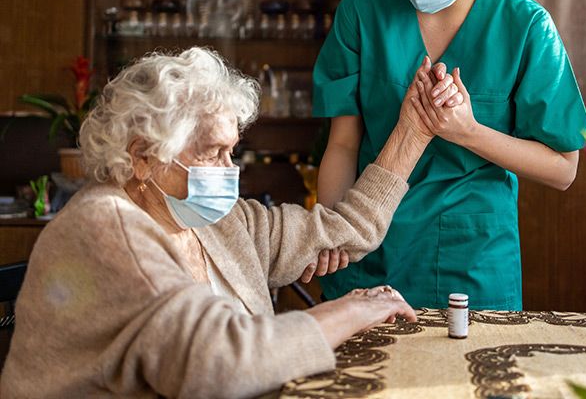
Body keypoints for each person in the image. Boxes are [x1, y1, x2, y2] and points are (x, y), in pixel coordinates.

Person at [1, 47, 457, 398]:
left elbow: (347, 230)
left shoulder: (219, 222)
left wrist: (414, 130)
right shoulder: (104, 228)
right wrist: (352, 309)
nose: (228, 171)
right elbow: (219, 363)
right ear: (143, 156)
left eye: (231, 152)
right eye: (210, 152)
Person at [312, 0, 586, 311]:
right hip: (369, 249)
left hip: (473, 260)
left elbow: (563, 169)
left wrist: (467, 131)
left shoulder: (524, 25)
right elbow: (343, 146)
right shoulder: (363, 12)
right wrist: (331, 232)